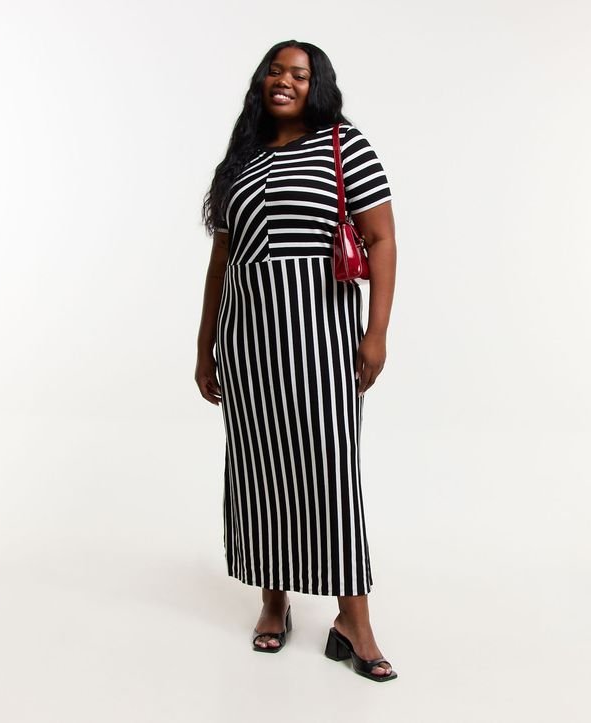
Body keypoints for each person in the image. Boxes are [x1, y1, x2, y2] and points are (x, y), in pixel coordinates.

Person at [196, 40, 397, 682]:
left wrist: (376, 334)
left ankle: (353, 619)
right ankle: (273, 601)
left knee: (331, 474)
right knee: (259, 469)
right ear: (261, 81)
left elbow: (382, 238)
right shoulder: (241, 159)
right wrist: (205, 345)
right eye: (276, 71)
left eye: (300, 74)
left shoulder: (344, 144)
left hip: (322, 338)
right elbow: (222, 260)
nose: (285, 80)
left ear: (319, 86)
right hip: (248, 340)